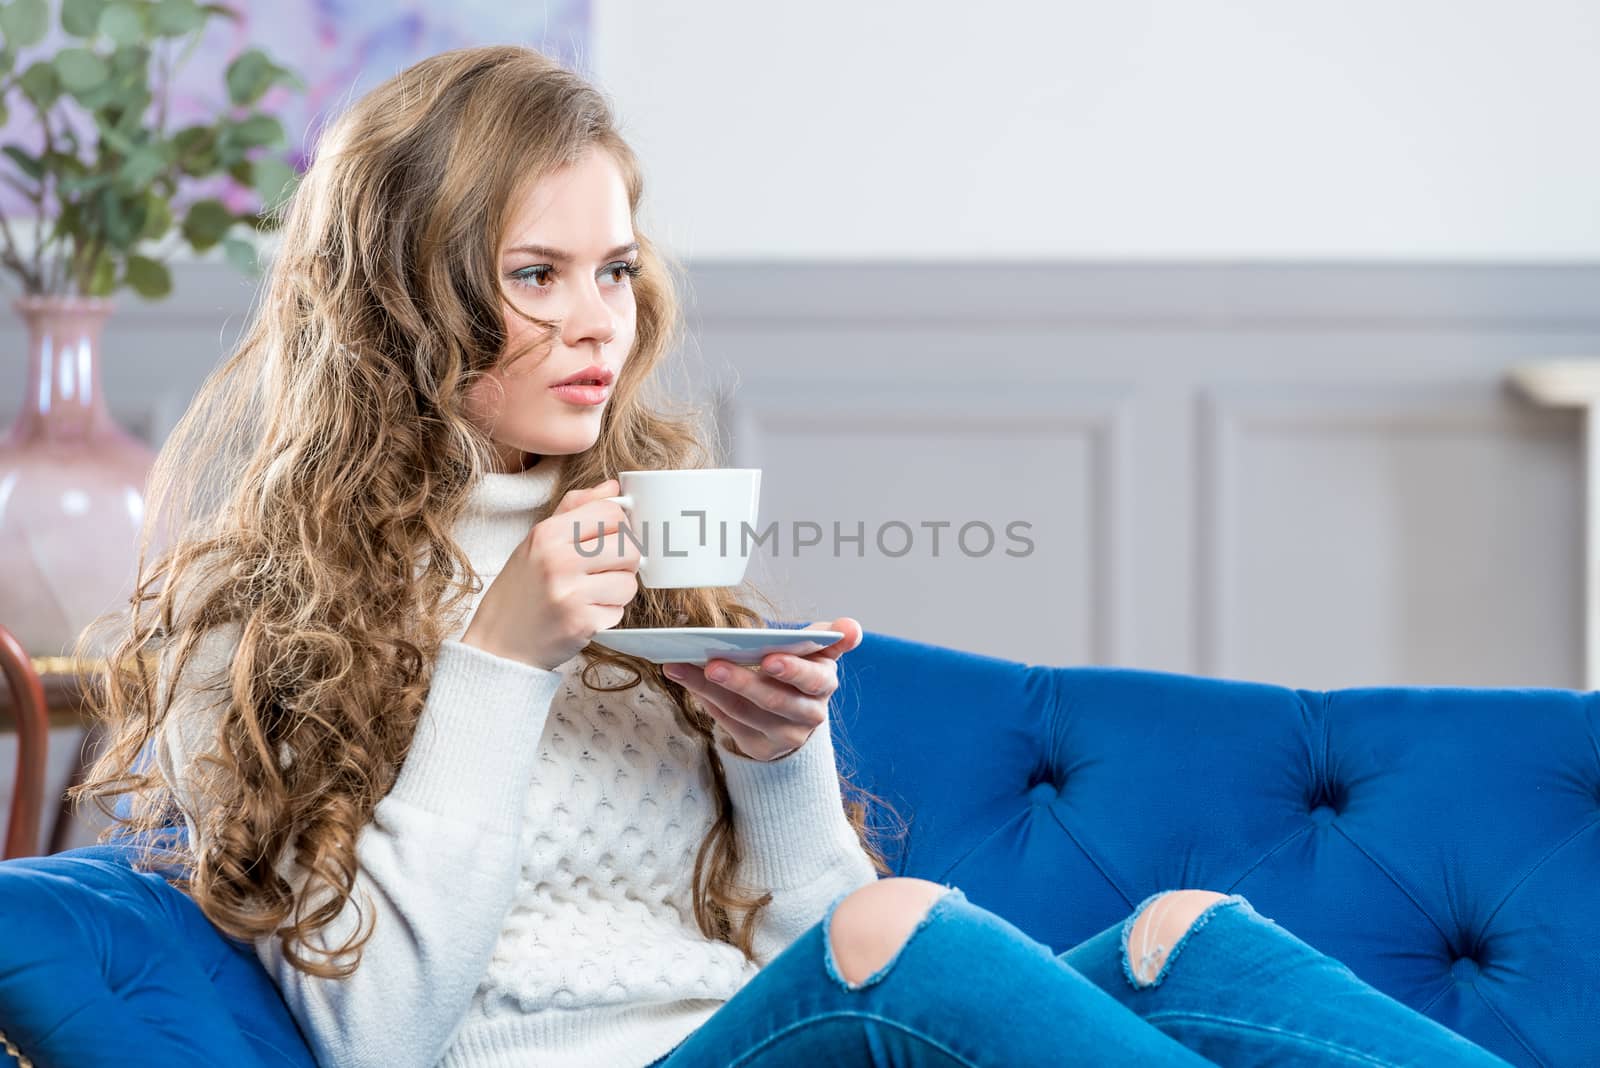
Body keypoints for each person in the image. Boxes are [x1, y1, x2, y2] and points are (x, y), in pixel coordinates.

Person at [70, 45, 1513, 1068]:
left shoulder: (642, 543)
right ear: (400, 295)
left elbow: (812, 948)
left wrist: (772, 765)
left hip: (777, 1039)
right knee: (905, 928)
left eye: (615, 270)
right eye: (535, 274)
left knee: (1184, 938)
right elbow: (375, 1039)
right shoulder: (260, 619)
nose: (598, 325)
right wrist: (497, 662)